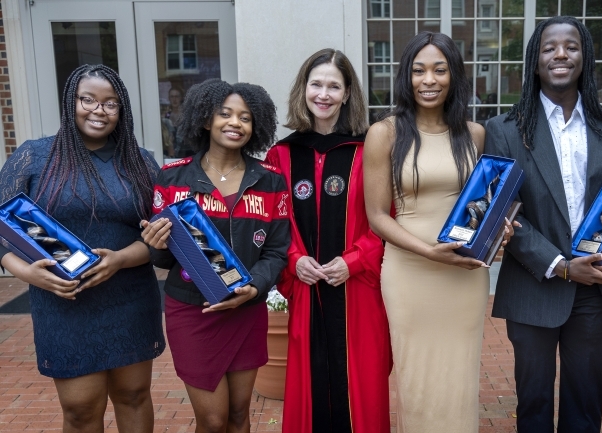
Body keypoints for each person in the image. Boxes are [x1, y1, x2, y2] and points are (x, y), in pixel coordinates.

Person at [484, 16, 602, 433]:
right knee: (533, 404)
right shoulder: (503, 131)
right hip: (534, 285)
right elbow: (505, 214)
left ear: (585, 57)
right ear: (535, 62)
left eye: (570, 46)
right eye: (548, 48)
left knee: (585, 401)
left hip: (596, 288)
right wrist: (561, 264)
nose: (560, 54)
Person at [364, 32, 517, 432]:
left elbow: (483, 203)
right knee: (416, 381)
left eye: (439, 69)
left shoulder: (475, 134)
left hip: (463, 277)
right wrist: (428, 251)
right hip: (410, 273)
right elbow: (377, 216)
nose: (428, 80)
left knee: (458, 380)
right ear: (406, 77)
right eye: (418, 70)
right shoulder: (385, 132)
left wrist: (498, 232)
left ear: (454, 76)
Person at [0, 64, 165, 432]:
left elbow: (160, 238)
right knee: (79, 408)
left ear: (121, 110)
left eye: (110, 103)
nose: (98, 110)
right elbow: (1, 227)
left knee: (134, 395)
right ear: (70, 102)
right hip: (64, 300)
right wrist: (26, 272)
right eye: (87, 99)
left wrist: (120, 259)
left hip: (129, 296)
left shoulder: (140, 162)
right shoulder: (34, 157)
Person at [141, 78, 290, 433]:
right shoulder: (172, 178)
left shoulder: (270, 181)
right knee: (211, 419)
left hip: (246, 309)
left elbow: (277, 250)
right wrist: (155, 243)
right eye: (225, 114)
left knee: (239, 415)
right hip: (193, 310)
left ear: (255, 127)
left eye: (245, 117)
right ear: (206, 120)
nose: (235, 123)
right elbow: (161, 259)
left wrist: (253, 289)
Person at [265, 48, 391, 433]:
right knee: (311, 382)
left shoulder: (370, 149)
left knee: (363, 385)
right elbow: (273, 221)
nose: (324, 93)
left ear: (348, 93)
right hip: (306, 288)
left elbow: (388, 220)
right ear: (303, 89)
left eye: (333, 85)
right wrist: (293, 259)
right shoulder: (281, 155)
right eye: (316, 84)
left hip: (357, 291)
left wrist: (353, 261)